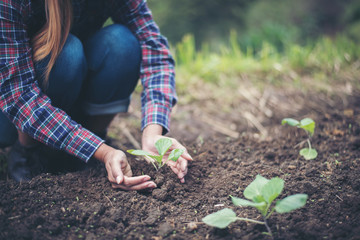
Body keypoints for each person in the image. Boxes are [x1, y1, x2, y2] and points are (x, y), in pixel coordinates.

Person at [0, 0, 193, 190]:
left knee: (121, 43)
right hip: (12, 112)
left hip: (73, 92)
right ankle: (27, 152)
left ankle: (87, 143)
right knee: (67, 53)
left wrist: (153, 135)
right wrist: (101, 151)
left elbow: (154, 51)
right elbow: (19, 96)